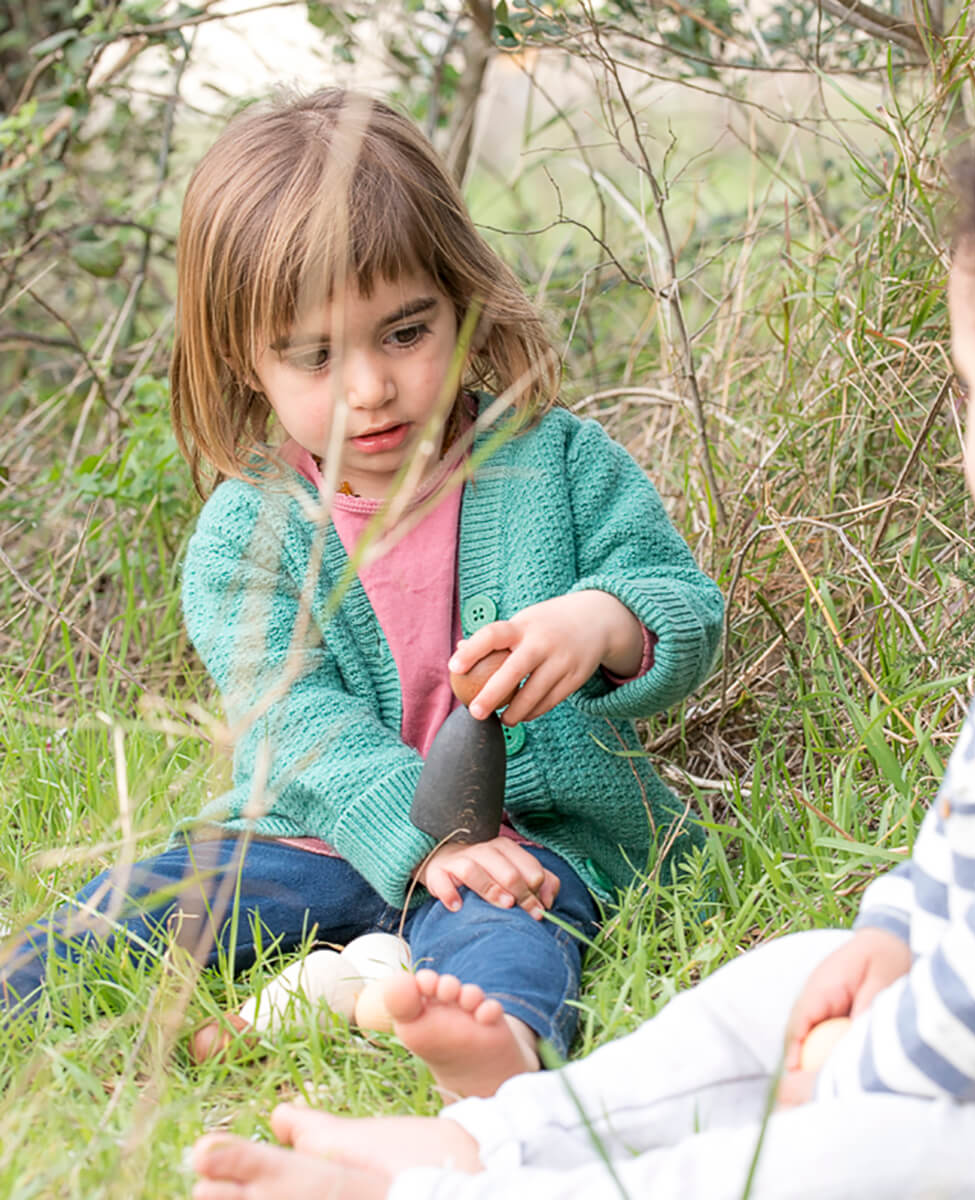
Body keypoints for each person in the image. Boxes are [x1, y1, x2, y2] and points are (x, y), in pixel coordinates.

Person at [190, 58, 975, 1200]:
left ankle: (463, 1192)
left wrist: (867, 1072)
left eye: (966, 387)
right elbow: (972, 847)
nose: (370, 388)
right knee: (800, 972)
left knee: (854, 1153)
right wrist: (896, 935)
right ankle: (508, 1139)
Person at [0, 88, 723, 1102]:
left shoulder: (558, 463)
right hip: (313, 837)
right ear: (244, 361)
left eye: (405, 333)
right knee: (130, 913)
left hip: (523, 842)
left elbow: (680, 601)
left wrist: (600, 621)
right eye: (315, 355)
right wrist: (425, 842)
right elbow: (293, 721)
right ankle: (278, 985)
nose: (370, 389)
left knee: (514, 935)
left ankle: (491, 1048)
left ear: (461, 302)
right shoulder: (248, 535)